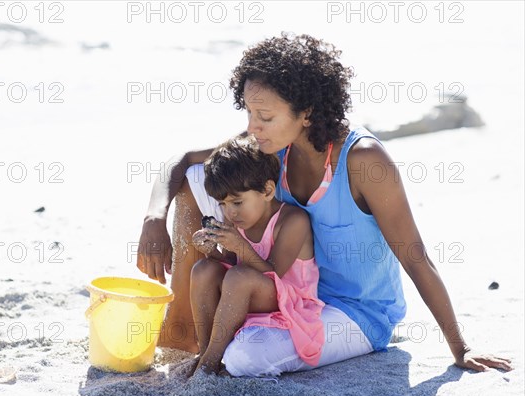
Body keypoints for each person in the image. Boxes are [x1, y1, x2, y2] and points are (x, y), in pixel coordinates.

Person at [136, 33, 512, 375]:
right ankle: (182, 331)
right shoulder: (269, 146)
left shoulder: (364, 161)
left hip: (350, 312)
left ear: (307, 114)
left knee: (242, 358)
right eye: (249, 113)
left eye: (265, 116)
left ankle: (219, 344)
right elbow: (182, 160)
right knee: (196, 180)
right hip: (285, 289)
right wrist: (154, 218)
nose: (253, 127)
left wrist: (459, 348)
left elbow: (415, 256)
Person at [187, 136, 324, 375]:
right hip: (250, 287)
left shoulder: (292, 221)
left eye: (237, 202)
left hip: (289, 298)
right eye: (222, 204)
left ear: (268, 191)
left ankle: (209, 364)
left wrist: (239, 246)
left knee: (239, 277)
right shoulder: (240, 219)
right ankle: (206, 349)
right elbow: (235, 263)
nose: (229, 212)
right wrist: (215, 253)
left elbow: (273, 272)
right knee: (203, 269)